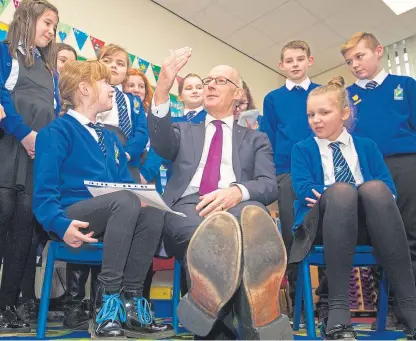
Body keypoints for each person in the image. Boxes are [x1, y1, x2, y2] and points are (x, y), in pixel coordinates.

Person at [148, 47, 292, 340]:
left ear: (239, 94)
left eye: (220, 81)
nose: (210, 84)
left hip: (238, 207)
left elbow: (268, 184)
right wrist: (162, 88)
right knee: (217, 236)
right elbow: (161, 144)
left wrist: (237, 191)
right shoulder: (182, 129)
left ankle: (212, 320)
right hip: (189, 208)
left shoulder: (256, 138)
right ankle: (255, 322)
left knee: (250, 221)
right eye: (208, 79)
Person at [33, 60, 165, 339]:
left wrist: (146, 199)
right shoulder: (55, 132)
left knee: (152, 211)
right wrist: (60, 225)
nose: (112, 88)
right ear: (84, 89)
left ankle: (131, 299)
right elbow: (43, 195)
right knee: (126, 201)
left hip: (114, 212)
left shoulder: (112, 139)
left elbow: (126, 185)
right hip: (73, 215)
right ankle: (108, 301)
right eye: (105, 82)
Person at [289, 76, 416, 340]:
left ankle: (409, 305)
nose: (316, 119)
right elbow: (305, 191)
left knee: (375, 189)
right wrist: (339, 196)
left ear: (345, 113)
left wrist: (370, 197)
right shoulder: (301, 149)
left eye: (324, 112)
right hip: (323, 226)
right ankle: (337, 310)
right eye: (311, 114)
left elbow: (389, 190)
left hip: (369, 225)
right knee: (343, 191)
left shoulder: (367, 146)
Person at [342, 32, 416, 330]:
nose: (355, 65)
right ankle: (387, 309)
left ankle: (409, 309)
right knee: (377, 241)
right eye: (349, 61)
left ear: (378, 51)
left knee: (410, 236)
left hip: (406, 165)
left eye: (360, 56)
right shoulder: (346, 95)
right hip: (368, 172)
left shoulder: (406, 86)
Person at [0, 0, 59, 332]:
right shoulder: (5, 53)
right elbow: (1, 97)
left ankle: (7, 304)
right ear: (27, 19)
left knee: (24, 233)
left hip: (37, 158)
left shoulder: (50, 70)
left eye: (54, 27)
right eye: (47, 23)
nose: (51, 32)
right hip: (9, 149)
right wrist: (23, 134)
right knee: (2, 224)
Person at [260, 40, 323, 323]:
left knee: (325, 232)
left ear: (310, 61)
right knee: (292, 235)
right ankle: (297, 304)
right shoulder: (273, 99)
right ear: (281, 65)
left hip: (322, 173)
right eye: (289, 60)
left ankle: (328, 300)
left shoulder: (323, 93)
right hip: (286, 173)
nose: (295, 64)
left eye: (300, 58)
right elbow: (270, 139)